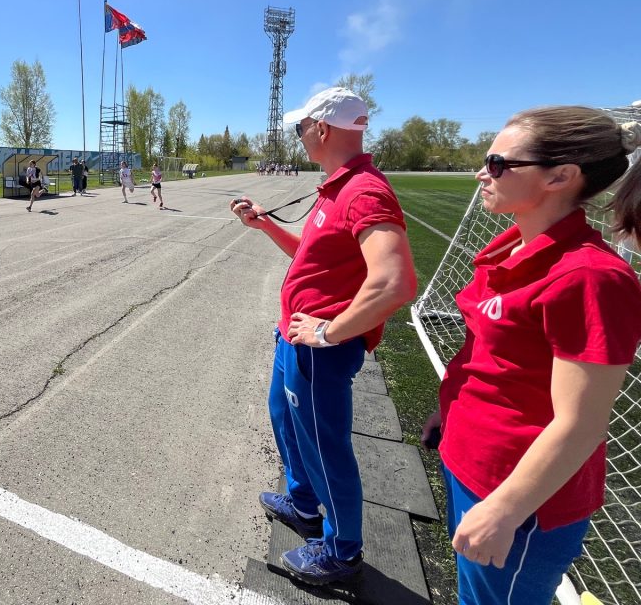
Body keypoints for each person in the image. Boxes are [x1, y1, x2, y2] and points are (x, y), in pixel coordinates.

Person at [420, 106, 641, 605]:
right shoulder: (511, 249)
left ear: (560, 176)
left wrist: (505, 509)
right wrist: (448, 409)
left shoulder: (589, 277)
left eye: (498, 164)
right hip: (470, 460)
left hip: (519, 496)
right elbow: (490, 357)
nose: (482, 172)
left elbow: (581, 424)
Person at [229, 87, 417, 586]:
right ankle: (304, 504)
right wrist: (265, 224)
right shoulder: (337, 186)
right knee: (285, 422)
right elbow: (312, 260)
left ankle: (341, 550)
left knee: (324, 448)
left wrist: (330, 331)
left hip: (320, 349)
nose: (299, 136)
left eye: (301, 128)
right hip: (296, 337)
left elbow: (395, 281)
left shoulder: (363, 191)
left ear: (323, 129)